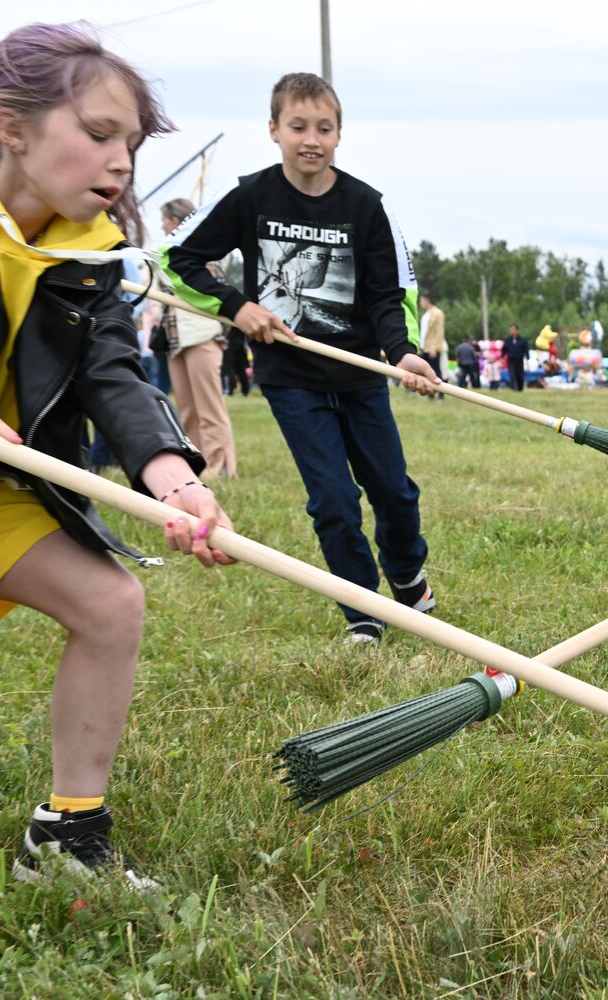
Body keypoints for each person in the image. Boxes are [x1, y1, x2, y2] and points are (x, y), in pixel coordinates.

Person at [0, 22, 234, 887]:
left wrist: (176, 480)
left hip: (0, 485)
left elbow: (113, 376)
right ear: (10, 125)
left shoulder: (87, 250)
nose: (122, 160)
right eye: (98, 134)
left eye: (128, 140)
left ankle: (66, 838)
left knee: (111, 605)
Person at [162, 71, 438, 645]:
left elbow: (391, 294)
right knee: (333, 500)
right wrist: (237, 306)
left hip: (361, 375)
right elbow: (178, 257)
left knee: (394, 490)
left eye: (324, 127)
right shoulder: (250, 196)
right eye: (297, 126)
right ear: (273, 130)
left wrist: (404, 353)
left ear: (340, 134)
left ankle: (408, 577)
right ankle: (363, 612)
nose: (310, 138)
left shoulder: (366, 206)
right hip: (292, 380)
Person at [159, 199, 238, 478]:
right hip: (175, 339)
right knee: (187, 409)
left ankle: (221, 466)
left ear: (178, 220)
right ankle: (199, 463)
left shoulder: (202, 251)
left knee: (209, 407)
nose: (161, 226)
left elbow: (214, 289)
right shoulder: (165, 253)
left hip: (202, 335)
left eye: (165, 220)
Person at [419, 291, 447, 401]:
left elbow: (439, 332)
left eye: (421, 300)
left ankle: (441, 394)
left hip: (432, 348)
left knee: (437, 372)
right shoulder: (425, 314)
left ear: (427, 300)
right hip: (424, 347)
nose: (420, 303)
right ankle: (430, 394)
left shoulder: (438, 313)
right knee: (426, 372)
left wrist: (434, 348)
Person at [501, 323, 529, 391]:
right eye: (510, 330)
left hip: (519, 360)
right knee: (512, 374)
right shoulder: (507, 340)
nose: (511, 331)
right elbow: (504, 350)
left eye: (513, 329)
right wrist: (502, 358)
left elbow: (525, 349)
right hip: (511, 360)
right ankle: (513, 388)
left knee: (519, 374)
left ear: (517, 330)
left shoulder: (522, 340)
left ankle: (520, 388)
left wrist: (527, 358)